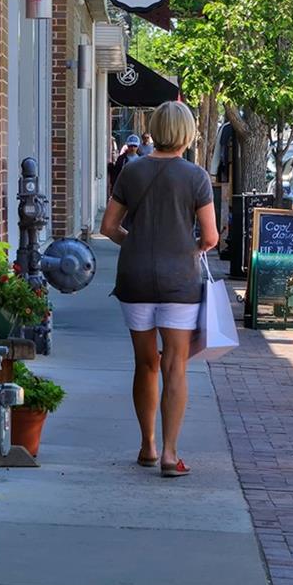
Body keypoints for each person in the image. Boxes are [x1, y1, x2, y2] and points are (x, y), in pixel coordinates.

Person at [100, 101, 219, 478]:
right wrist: (192, 247)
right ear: (186, 133)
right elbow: (212, 236)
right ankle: (170, 454)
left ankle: (147, 445)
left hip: (135, 277)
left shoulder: (132, 172)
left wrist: (135, 244)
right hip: (179, 282)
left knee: (145, 363)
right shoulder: (196, 177)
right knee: (175, 366)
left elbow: (109, 226)